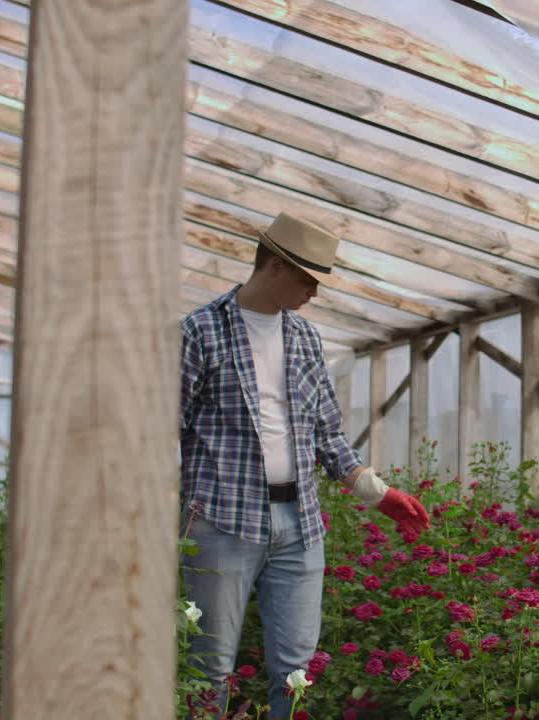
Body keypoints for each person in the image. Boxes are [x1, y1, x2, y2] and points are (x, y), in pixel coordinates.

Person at [178, 212, 431, 719]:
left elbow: (327, 436)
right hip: (221, 522)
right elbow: (165, 429)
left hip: (299, 524)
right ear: (276, 264)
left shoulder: (306, 339)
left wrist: (380, 494)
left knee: (298, 671)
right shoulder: (200, 332)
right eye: (308, 279)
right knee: (209, 669)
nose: (313, 292)